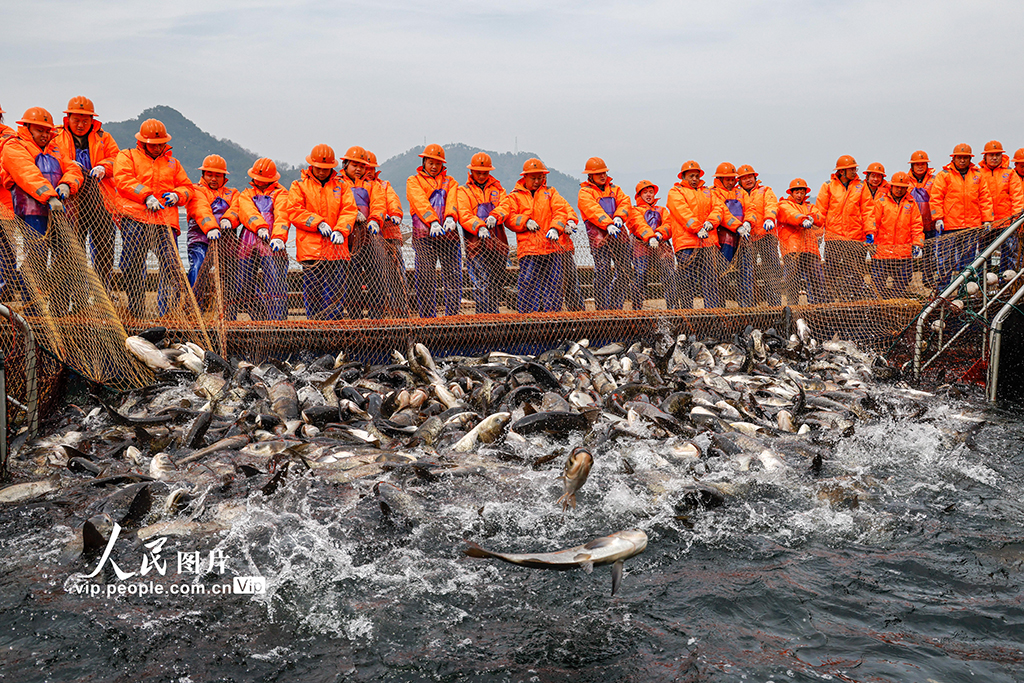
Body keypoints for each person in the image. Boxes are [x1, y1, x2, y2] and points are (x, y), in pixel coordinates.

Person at [0, 107, 84, 311]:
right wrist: (50, 196)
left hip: (60, 213)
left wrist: (67, 184)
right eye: (39, 130)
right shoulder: (15, 146)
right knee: (36, 257)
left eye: (47, 131)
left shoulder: (55, 147)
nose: (45, 135)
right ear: (27, 128)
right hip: (31, 213)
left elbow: (73, 168)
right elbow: (26, 174)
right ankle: (32, 308)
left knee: (65, 257)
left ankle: (59, 307)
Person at [52, 96, 120, 290]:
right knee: (69, 248)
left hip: (100, 200)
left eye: (85, 120)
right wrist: (66, 163)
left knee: (105, 248)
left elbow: (117, 159)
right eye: (76, 120)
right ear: (68, 118)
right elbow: (51, 155)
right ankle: (70, 295)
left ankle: (102, 293)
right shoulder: (56, 135)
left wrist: (103, 167)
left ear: (92, 120)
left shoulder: (103, 137)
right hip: (71, 200)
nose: (80, 124)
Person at [286, 145, 358, 320]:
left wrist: (341, 231)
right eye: (319, 168)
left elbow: (349, 210)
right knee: (313, 292)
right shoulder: (299, 185)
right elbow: (294, 210)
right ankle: (315, 328)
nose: (322, 172)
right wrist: (317, 223)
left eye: (326, 169)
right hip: (311, 251)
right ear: (312, 165)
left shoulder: (341, 186)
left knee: (336, 292)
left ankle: (333, 330)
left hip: (337, 249)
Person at [496, 158, 570, 313]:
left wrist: (556, 228)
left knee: (555, 282)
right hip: (529, 249)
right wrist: (525, 221)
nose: (537, 181)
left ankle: (553, 315)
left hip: (551, 247)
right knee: (528, 282)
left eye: (540, 178)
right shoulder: (514, 196)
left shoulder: (551, 192)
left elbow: (561, 211)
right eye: (533, 178)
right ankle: (527, 316)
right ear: (525, 178)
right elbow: (509, 218)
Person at [406, 144, 461, 317]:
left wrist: (451, 216)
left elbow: (453, 199)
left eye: (437, 163)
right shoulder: (413, 181)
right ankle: (427, 316)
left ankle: (452, 314)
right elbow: (420, 202)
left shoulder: (450, 181)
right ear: (424, 162)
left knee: (453, 275)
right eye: (430, 162)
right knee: (425, 276)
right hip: (424, 235)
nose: (434, 166)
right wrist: (433, 222)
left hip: (448, 235)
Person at [231, 158, 290, 320]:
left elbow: (282, 217)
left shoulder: (281, 193)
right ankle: (261, 317)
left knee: (275, 284)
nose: (259, 181)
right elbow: (247, 211)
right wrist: (260, 226)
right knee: (242, 285)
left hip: (272, 244)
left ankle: (277, 321)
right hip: (247, 243)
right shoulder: (246, 194)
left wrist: (278, 237)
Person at [930, 143, 994, 285]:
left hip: (971, 226)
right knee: (946, 260)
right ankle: (943, 289)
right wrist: (938, 218)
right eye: (960, 157)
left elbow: (985, 198)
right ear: (954, 158)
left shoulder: (978, 175)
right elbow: (936, 198)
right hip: (949, 227)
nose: (962, 160)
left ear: (970, 158)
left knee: (969, 260)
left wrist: (987, 219)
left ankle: (965, 289)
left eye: (965, 157)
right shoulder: (944, 175)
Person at [666, 161, 726, 309]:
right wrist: (697, 228)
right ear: (683, 176)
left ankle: (713, 311)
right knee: (687, 280)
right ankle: (687, 311)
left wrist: (711, 222)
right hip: (686, 243)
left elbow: (718, 208)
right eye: (691, 176)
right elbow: (681, 211)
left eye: (697, 176)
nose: (694, 179)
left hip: (708, 242)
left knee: (710, 279)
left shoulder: (708, 191)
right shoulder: (675, 192)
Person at [185, 155, 239, 317]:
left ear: (224, 177)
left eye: (218, 175)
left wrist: (229, 219)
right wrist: (210, 227)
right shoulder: (196, 190)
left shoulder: (233, 193)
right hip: (200, 239)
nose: (214, 179)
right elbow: (201, 208)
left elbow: (237, 208)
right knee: (198, 267)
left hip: (226, 242)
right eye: (210, 174)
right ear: (203, 175)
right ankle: (194, 309)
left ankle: (229, 313)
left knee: (230, 274)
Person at [577, 157, 634, 310]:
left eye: (604, 172)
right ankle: (603, 307)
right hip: (599, 237)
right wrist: (607, 223)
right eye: (598, 173)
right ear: (590, 176)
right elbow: (592, 210)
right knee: (602, 271)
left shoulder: (615, 189)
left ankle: (616, 305)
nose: (602, 176)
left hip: (618, 235)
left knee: (624, 270)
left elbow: (625, 202)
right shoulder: (585, 192)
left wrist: (619, 217)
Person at [816, 155, 875, 301]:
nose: (855, 171)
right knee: (831, 271)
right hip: (833, 238)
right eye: (851, 169)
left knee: (855, 272)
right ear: (842, 171)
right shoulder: (828, 185)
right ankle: (830, 299)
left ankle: (853, 299)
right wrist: (817, 235)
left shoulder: (861, 186)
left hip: (855, 238)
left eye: (855, 168)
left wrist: (870, 231)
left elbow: (868, 210)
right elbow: (820, 211)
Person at [336, 145, 386, 318]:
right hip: (347, 240)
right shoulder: (337, 184)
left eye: (362, 166)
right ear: (345, 164)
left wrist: (375, 220)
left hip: (370, 238)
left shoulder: (372, 185)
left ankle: (376, 318)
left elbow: (379, 205)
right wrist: (351, 214)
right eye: (354, 165)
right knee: (351, 281)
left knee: (377, 278)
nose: (358, 169)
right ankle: (354, 317)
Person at [456, 152, 508, 314]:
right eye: (478, 172)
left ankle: (493, 313)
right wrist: (479, 226)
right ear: (471, 171)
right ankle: (483, 314)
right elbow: (464, 214)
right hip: (475, 244)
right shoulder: (463, 191)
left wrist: (494, 216)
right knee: (481, 281)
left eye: (484, 172)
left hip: (498, 243)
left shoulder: (498, 189)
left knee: (495, 281)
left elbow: (506, 206)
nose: (481, 175)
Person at [365, 150, 409, 317]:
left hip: (389, 236)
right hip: (366, 240)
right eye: (364, 167)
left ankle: (400, 314)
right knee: (376, 279)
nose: (367, 171)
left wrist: (396, 214)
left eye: (371, 168)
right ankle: (376, 315)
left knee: (397, 277)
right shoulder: (354, 187)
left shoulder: (384, 185)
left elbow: (393, 201)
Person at [870, 172, 924, 299]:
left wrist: (918, 243)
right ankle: (880, 305)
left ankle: (896, 302)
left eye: (902, 187)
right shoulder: (881, 202)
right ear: (891, 186)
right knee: (878, 283)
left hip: (903, 253)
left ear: (906, 188)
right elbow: (873, 224)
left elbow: (917, 226)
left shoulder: (911, 204)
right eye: (897, 187)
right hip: (882, 253)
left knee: (903, 282)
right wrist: (870, 240)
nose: (899, 190)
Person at [627, 180, 678, 309]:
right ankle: (637, 306)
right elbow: (638, 224)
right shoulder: (634, 210)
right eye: (645, 193)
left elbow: (669, 224)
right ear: (639, 195)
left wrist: (660, 234)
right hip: (640, 247)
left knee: (669, 274)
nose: (649, 195)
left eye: (651, 192)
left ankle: (672, 306)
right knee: (640, 274)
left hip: (661, 246)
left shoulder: (662, 210)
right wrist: (649, 237)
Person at [776, 178, 828, 305]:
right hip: (792, 249)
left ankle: (817, 304)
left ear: (805, 193)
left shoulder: (810, 206)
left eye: (802, 192)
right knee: (792, 279)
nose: (799, 195)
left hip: (810, 247)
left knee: (817, 277)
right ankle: (793, 306)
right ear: (791, 193)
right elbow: (790, 214)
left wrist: (812, 217)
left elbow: (820, 218)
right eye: (797, 192)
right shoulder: (784, 205)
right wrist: (802, 219)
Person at [735, 164, 781, 307]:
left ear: (755, 177)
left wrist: (769, 218)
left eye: (750, 177)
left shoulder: (765, 190)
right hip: (746, 238)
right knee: (747, 273)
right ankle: (749, 306)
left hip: (766, 236)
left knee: (771, 272)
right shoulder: (736, 194)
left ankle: (775, 305)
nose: (748, 180)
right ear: (739, 181)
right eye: (744, 178)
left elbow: (772, 205)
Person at [977, 140, 1024, 270]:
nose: (994, 158)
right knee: (983, 256)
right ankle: (982, 283)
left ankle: (1006, 284)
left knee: (1008, 255)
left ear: (1001, 156)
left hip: (1006, 223)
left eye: (997, 154)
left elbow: (1017, 197)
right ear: (985, 156)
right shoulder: (977, 173)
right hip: (985, 225)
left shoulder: (1009, 173)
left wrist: (1016, 220)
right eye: (991, 155)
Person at [907, 150, 939, 289]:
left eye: (922, 164)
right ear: (912, 166)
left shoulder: (934, 179)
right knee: (909, 254)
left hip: (930, 223)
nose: (920, 167)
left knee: (930, 253)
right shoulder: (905, 181)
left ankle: (928, 278)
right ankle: (908, 281)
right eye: (917, 164)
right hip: (912, 225)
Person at [709, 162, 750, 263]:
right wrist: (737, 226)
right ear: (720, 179)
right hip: (723, 239)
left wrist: (748, 221)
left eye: (732, 179)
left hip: (742, 237)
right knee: (723, 268)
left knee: (745, 267)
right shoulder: (713, 192)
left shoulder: (741, 193)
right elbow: (723, 212)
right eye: (727, 180)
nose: (731, 182)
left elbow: (750, 208)